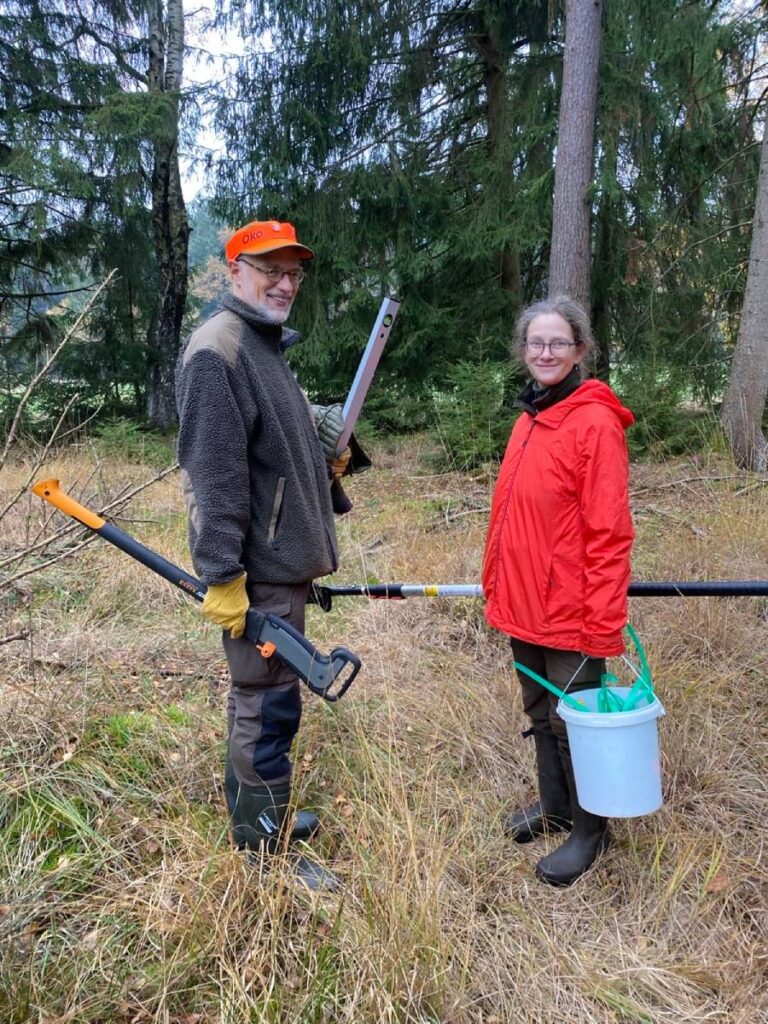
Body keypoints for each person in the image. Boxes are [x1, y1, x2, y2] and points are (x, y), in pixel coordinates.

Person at [175, 219, 350, 891]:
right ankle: (262, 853)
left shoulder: (263, 348)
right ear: (235, 272)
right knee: (265, 705)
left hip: (283, 567)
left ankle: (262, 818)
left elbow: (282, 448)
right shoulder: (218, 350)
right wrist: (221, 577)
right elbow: (214, 476)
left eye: (293, 272)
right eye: (270, 268)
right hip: (257, 575)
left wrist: (333, 455)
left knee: (270, 700)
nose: (284, 282)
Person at [482, 295, 635, 887]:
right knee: (540, 711)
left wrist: (602, 624)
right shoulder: (531, 419)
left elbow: (609, 530)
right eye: (535, 343)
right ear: (524, 351)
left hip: (571, 610)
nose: (545, 352)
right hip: (523, 603)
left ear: (580, 350)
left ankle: (590, 832)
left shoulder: (593, 422)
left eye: (558, 343)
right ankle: (555, 808)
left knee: (580, 722)